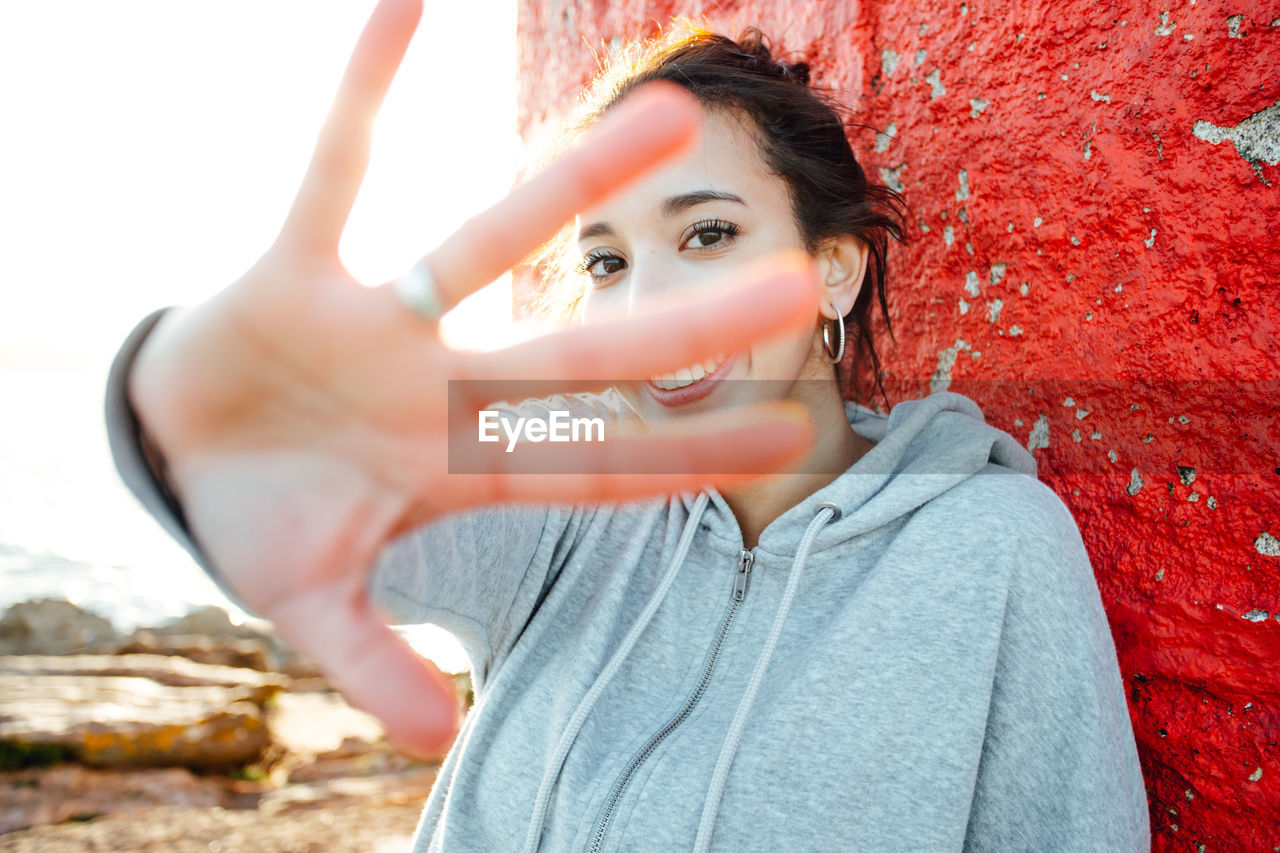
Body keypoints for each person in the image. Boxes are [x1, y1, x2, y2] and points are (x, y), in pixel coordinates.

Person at [105, 1, 1151, 850]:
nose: (647, 300)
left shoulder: (991, 544)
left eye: (707, 232)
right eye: (605, 261)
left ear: (833, 267)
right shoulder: (560, 461)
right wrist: (209, 412)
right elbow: (317, 490)